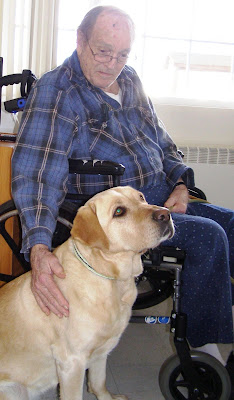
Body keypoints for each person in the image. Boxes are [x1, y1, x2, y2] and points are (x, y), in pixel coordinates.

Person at [12, 5, 233, 363]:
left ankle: (215, 309)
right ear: (80, 40)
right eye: (103, 50)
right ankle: (205, 346)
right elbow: (37, 172)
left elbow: (163, 142)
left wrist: (180, 184)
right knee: (209, 237)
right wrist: (38, 247)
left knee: (231, 225)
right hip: (117, 215)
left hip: (158, 196)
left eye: (122, 54)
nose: (112, 63)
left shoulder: (130, 80)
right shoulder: (59, 90)